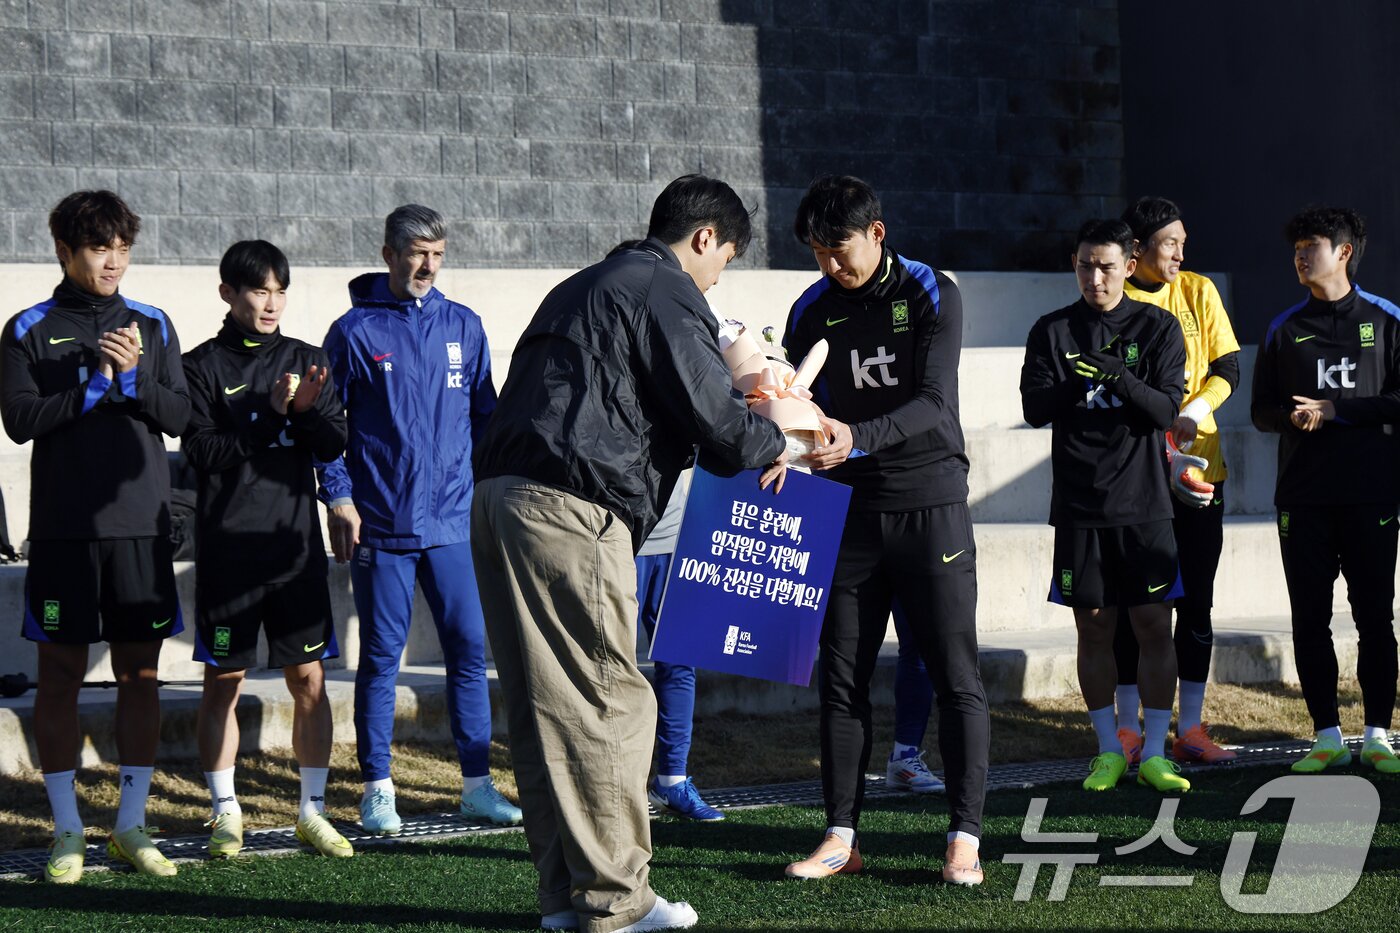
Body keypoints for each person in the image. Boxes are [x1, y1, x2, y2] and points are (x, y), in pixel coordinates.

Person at [472, 174, 786, 933]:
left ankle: (567, 900)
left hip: (500, 499)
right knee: (610, 697)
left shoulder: (585, 284)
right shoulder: (663, 284)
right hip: (571, 511)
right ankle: (619, 899)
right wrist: (777, 436)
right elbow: (715, 416)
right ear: (704, 237)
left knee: (547, 709)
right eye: (724, 262)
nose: (717, 283)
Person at [781, 174, 989, 885]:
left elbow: (933, 401)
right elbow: (796, 403)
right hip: (846, 515)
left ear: (877, 232)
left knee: (956, 676)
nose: (830, 267)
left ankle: (964, 836)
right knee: (840, 680)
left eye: (840, 251)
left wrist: (855, 435)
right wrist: (782, 444)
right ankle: (841, 834)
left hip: (931, 505)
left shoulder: (933, 291)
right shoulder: (810, 308)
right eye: (818, 253)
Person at [1, 190, 190, 882]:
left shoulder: (152, 322)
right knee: (59, 678)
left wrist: (135, 377)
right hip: (63, 535)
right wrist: (90, 387)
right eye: (98, 247)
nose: (112, 261)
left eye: (122, 247)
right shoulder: (28, 326)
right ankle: (68, 829)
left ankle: (131, 825)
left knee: (141, 673)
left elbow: (179, 414)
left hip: (140, 529)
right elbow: (19, 419)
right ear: (64, 251)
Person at [317, 204, 521, 834]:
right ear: (388, 254)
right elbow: (329, 430)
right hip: (382, 523)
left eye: (437, 253)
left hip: (455, 523)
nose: (427, 266)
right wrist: (340, 497)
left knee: (467, 651)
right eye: (415, 253)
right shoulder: (353, 332)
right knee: (379, 659)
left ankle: (476, 785)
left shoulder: (465, 325)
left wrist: (491, 491)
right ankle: (378, 788)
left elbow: (486, 419)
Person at [182, 240, 352, 859]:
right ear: (228, 293)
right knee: (222, 681)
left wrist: (304, 414)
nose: (271, 302)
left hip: (293, 551)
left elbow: (334, 442)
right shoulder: (200, 366)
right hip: (229, 551)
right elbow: (200, 451)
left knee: (309, 679)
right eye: (259, 290)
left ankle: (312, 810)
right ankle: (224, 811)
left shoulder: (308, 359)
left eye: (280, 290)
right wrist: (266, 416)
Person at [1020, 218, 1189, 794]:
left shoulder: (1158, 326)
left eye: (1108, 266)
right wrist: (1074, 383)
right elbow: (1036, 408)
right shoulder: (1052, 329)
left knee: (1151, 624)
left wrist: (1120, 376)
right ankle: (1107, 750)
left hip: (1144, 503)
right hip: (1078, 504)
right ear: (1075, 264)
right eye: (1086, 265)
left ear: (1131, 263)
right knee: (1093, 628)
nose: (1096, 277)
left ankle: (1157, 752)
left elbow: (1167, 412)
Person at [1253, 206, 1400, 775]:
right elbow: (1261, 410)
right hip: (1304, 497)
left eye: (1309, 245)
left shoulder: (1385, 320)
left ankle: (1379, 734)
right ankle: (1327, 736)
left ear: (1342, 252)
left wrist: (1336, 410)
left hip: (1370, 495)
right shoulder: (1283, 327)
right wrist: (1292, 419)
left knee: (1375, 618)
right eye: (1295, 248)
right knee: (1309, 618)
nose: (1299, 256)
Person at [1112, 197, 1241, 766]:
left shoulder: (1198, 290)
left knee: (1198, 604)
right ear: (1136, 250)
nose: (1180, 254)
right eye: (1170, 243)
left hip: (1200, 475)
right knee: (1129, 607)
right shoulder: (1113, 300)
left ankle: (1190, 728)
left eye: (1183, 242)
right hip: (1136, 480)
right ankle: (1126, 730)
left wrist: (1194, 414)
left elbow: (1227, 369)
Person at [636, 470, 729, 822]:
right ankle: (609, 786)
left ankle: (671, 781)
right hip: (621, 535)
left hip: (678, 533)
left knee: (680, 660)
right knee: (609, 668)